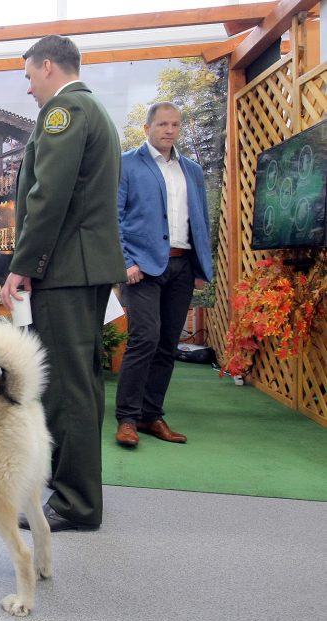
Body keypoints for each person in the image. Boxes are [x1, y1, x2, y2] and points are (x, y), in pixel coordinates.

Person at [0, 35, 126, 531]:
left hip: (65, 270)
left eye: (30, 76)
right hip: (84, 266)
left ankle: (75, 502)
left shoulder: (64, 112)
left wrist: (22, 263)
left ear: (48, 66)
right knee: (83, 383)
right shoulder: (92, 111)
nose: (29, 88)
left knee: (67, 388)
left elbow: (47, 196)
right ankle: (78, 489)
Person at [114, 102, 214, 447]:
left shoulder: (192, 170)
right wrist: (125, 263)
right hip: (142, 268)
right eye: (161, 124)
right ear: (147, 128)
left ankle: (151, 415)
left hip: (182, 266)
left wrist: (201, 267)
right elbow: (114, 217)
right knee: (145, 338)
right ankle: (126, 418)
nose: (169, 130)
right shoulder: (126, 164)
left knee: (168, 344)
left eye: (174, 125)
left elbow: (200, 221)